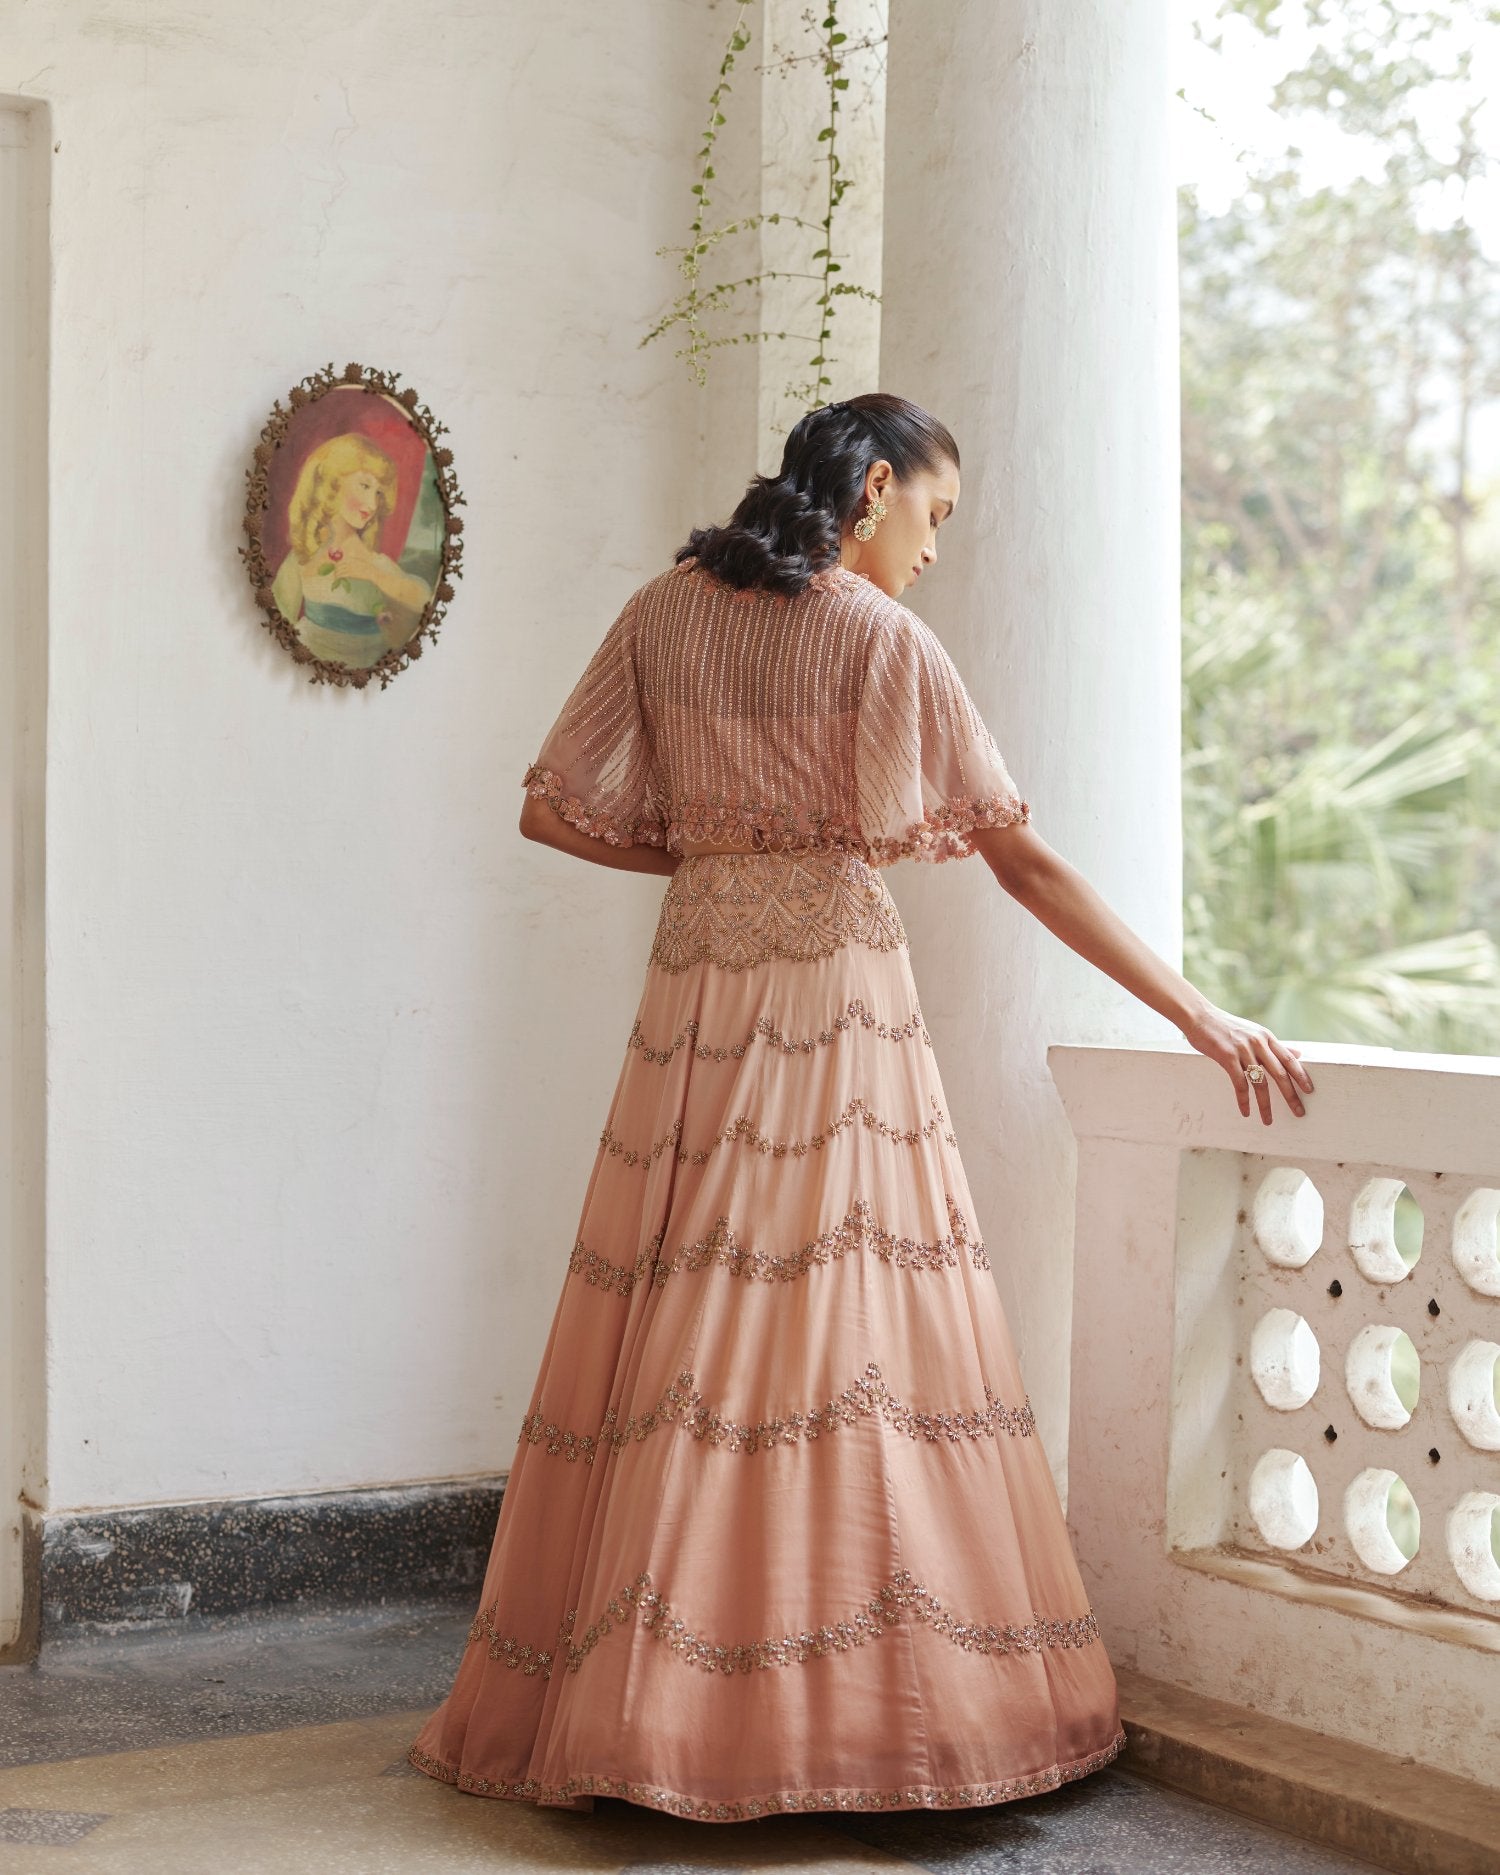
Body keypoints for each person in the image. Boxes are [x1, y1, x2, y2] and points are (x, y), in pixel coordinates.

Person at [405, 391, 1314, 1824]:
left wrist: (718, 859)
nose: (936, 552)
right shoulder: (881, 637)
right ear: (876, 487)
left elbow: (553, 807)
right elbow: (1023, 862)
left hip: (698, 1003)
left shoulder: (662, 608)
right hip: (832, 1005)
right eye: (935, 516)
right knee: (840, 1336)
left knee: (685, 1313)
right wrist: (1198, 1015)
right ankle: (824, 1722)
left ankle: (645, 1708)